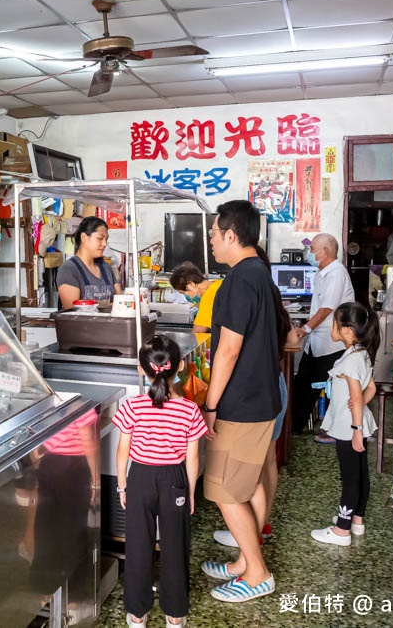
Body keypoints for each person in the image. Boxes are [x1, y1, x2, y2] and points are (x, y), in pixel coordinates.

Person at [199, 200, 279, 603]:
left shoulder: (236, 281)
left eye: (214, 232)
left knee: (226, 490)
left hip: (241, 403)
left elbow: (227, 350)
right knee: (247, 484)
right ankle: (246, 563)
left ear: (231, 235)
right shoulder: (260, 274)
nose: (211, 240)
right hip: (262, 397)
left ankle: (257, 573)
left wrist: (210, 406)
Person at [114, 335, 207, 627]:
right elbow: (192, 458)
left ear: (142, 370)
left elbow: (122, 451)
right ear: (178, 367)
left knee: (139, 545)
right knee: (175, 544)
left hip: (140, 476)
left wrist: (121, 486)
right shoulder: (190, 409)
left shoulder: (132, 406)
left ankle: (137, 612)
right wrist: (191, 491)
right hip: (174, 478)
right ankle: (175, 613)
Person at [213, 247, 300, 548]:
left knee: (257, 468)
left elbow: (230, 349)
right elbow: (291, 340)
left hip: (257, 392)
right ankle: (257, 529)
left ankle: (252, 533)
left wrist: (212, 404)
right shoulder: (272, 301)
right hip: (273, 387)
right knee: (265, 464)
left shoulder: (247, 289)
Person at [310, 302, 379, 546]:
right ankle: (356, 520)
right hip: (356, 421)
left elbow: (358, 394)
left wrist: (356, 428)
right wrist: (357, 406)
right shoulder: (360, 353)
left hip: (350, 427)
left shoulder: (350, 361)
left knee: (349, 478)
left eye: (335, 324)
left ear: (347, 330)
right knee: (360, 474)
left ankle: (341, 530)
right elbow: (370, 388)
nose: (333, 327)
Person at [291, 233, 356, 439]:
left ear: (325, 252)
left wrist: (305, 329)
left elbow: (327, 308)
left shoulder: (336, 273)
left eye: (312, 251)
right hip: (317, 342)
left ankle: (330, 430)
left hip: (332, 343)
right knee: (303, 383)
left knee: (327, 388)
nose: (309, 254)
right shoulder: (322, 273)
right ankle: (293, 427)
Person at [57, 216, 121, 310]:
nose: (104, 244)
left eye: (106, 239)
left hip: (110, 324)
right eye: (100, 238)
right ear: (84, 237)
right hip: (83, 324)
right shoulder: (68, 270)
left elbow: (121, 302)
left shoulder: (106, 268)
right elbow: (72, 312)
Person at [169, 262, 221, 333]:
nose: (186, 297)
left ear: (191, 285)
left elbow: (198, 331)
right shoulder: (219, 283)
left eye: (183, 293)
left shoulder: (209, 296)